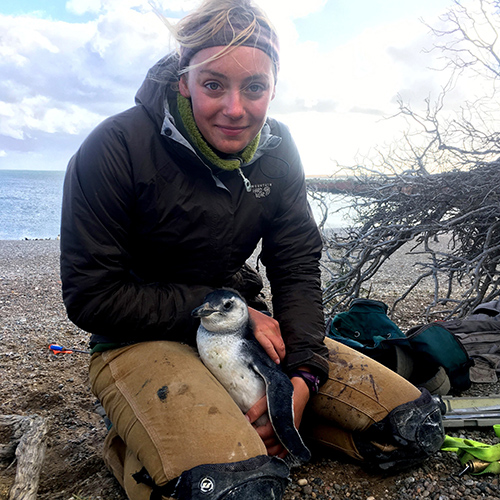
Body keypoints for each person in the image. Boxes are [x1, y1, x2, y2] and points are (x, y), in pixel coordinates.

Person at [60, 1, 445, 498]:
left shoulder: (278, 149)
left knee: (411, 430)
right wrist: (230, 311)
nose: (235, 108)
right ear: (184, 81)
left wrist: (304, 373)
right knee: (230, 488)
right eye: (214, 84)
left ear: (273, 88)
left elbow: (296, 264)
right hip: (135, 335)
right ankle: (138, 441)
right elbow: (92, 296)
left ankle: (247, 429)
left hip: (234, 327)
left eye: (255, 87)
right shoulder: (114, 147)